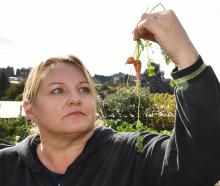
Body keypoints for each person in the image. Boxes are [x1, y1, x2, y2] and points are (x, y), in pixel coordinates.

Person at [0, 10, 220, 186]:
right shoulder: (7, 166)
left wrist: (185, 56)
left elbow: (200, 161)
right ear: (30, 110)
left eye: (85, 89)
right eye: (58, 90)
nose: (76, 98)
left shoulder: (134, 154)